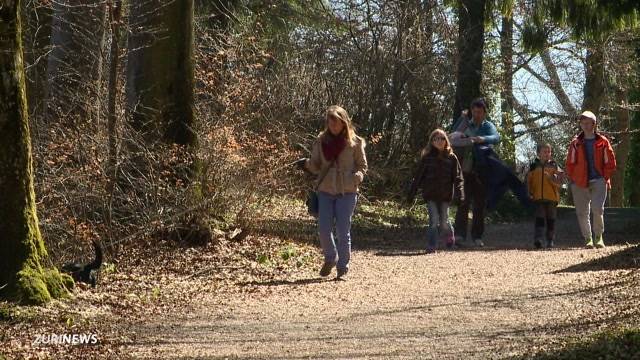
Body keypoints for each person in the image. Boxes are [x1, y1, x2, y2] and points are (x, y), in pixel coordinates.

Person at [295, 105, 367, 279]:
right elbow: (316, 165)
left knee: (343, 231)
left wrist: (355, 178)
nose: (333, 125)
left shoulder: (355, 142)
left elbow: (362, 166)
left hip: (347, 191)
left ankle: (343, 267)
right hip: (326, 189)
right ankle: (330, 258)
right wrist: (305, 164)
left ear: (344, 122)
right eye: (330, 122)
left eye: (336, 122)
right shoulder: (321, 141)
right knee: (324, 228)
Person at [449, 98, 500, 247]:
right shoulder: (465, 122)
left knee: (479, 205)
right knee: (463, 203)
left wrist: (481, 139)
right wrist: (464, 132)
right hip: (465, 168)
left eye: (479, 112)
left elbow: (496, 138)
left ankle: (477, 236)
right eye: (474, 111)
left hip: (482, 170)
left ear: (484, 113)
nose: (476, 114)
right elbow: (452, 137)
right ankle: (459, 236)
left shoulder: (488, 126)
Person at [407, 129, 464, 253]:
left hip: (445, 194)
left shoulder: (452, 158)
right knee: (433, 220)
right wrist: (412, 192)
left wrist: (460, 194)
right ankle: (431, 245)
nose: (439, 141)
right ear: (432, 142)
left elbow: (458, 178)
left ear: (446, 141)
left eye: (442, 138)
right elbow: (418, 176)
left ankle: (450, 237)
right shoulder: (427, 158)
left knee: (444, 221)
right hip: (430, 194)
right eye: (436, 139)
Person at [566, 110, 616, 248]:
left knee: (597, 209)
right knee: (582, 212)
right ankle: (588, 239)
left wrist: (605, 177)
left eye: (589, 123)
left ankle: (599, 237)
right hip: (579, 182)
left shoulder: (603, 141)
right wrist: (573, 179)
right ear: (581, 125)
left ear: (594, 124)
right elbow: (570, 163)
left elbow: (610, 162)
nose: (586, 125)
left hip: (599, 180)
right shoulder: (575, 143)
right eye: (583, 123)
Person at [527, 143, 565, 249]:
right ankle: (538, 239)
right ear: (538, 153)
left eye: (549, 151)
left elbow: (561, 180)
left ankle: (550, 240)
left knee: (551, 219)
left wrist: (551, 178)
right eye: (544, 151)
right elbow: (528, 181)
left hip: (552, 198)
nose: (547, 154)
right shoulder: (533, 166)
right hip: (538, 197)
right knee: (539, 218)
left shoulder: (554, 165)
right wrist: (529, 192)